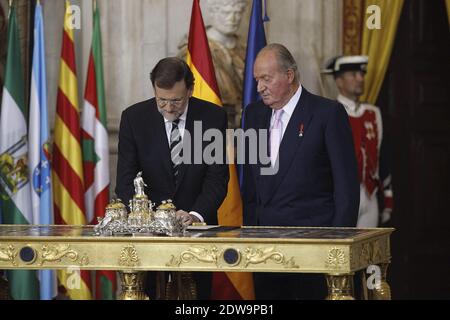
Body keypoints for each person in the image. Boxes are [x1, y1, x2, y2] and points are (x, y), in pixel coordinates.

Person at [241, 44, 360, 299]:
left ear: (289, 75)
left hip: (313, 246)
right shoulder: (253, 114)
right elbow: (251, 185)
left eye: (266, 78)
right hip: (264, 248)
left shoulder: (327, 113)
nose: (259, 87)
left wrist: (338, 248)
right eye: (256, 79)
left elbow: (346, 187)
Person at [115, 57, 229, 299]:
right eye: (161, 100)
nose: (168, 108)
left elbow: (217, 179)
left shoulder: (213, 117)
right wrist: (149, 220)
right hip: (147, 234)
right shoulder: (134, 118)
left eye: (176, 100)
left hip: (196, 230)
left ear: (190, 90)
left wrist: (196, 214)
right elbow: (125, 182)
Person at [322, 55, 394, 227]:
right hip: (340, 195)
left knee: (369, 251)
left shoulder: (373, 113)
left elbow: (381, 156)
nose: (360, 79)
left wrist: (388, 198)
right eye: (353, 75)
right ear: (339, 81)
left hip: (370, 195)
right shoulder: (329, 112)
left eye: (361, 74)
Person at [178, 0, 247, 128]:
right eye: (226, 13)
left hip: (245, 124)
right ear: (212, 12)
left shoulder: (247, 48)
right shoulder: (195, 51)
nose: (232, 19)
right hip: (210, 123)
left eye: (237, 13)